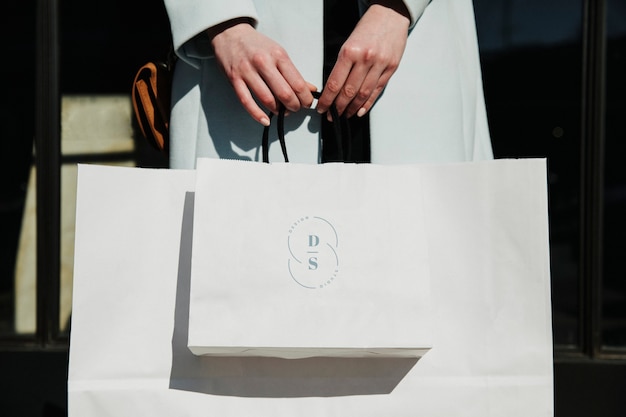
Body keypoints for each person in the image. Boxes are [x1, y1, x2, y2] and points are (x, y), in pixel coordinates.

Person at [162, 0, 493, 169]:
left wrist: (396, 7)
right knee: (237, 262)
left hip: (408, 37)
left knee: (423, 255)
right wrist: (224, 23)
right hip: (244, 43)